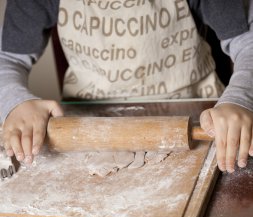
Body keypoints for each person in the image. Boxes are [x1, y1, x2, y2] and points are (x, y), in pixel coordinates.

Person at [0, 0, 253, 173]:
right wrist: (16, 102)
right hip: (86, 130)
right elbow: (7, 59)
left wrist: (240, 100)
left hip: (201, 124)